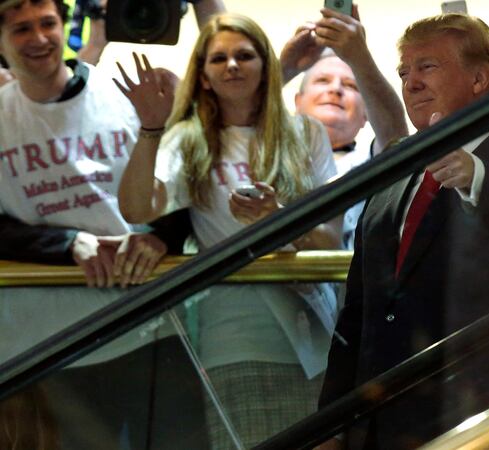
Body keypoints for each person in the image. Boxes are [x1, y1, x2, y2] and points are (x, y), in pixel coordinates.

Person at [318, 13, 489, 449]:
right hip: (380, 422)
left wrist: (475, 176)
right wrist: (330, 421)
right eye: (405, 71)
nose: (411, 82)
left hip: (484, 416)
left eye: (428, 67)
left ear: (480, 78)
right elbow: (359, 310)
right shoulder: (394, 169)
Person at [116, 13, 342, 448]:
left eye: (244, 55)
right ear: (202, 76)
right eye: (218, 59)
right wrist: (150, 128)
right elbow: (135, 208)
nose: (232, 66)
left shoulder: (305, 132)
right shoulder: (188, 139)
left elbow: (329, 240)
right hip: (237, 335)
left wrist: (276, 218)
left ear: (266, 65)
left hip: (315, 326)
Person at [0, 0, 210, 448]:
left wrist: (161, 239)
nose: (39, 38)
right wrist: (68, 243)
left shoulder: (125, 99)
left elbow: (181, 187)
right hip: (48, 348)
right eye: (21, 29)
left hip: (147, 329)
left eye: (47, 24)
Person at [282, 5, 407, 248]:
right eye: (322, 81)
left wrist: (359, 57)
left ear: (365, 116)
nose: (335, 89)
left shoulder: (370, 161)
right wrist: (285, 70)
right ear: (297, 103)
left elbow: (396, 137)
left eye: (350, 86)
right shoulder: (267, 149)